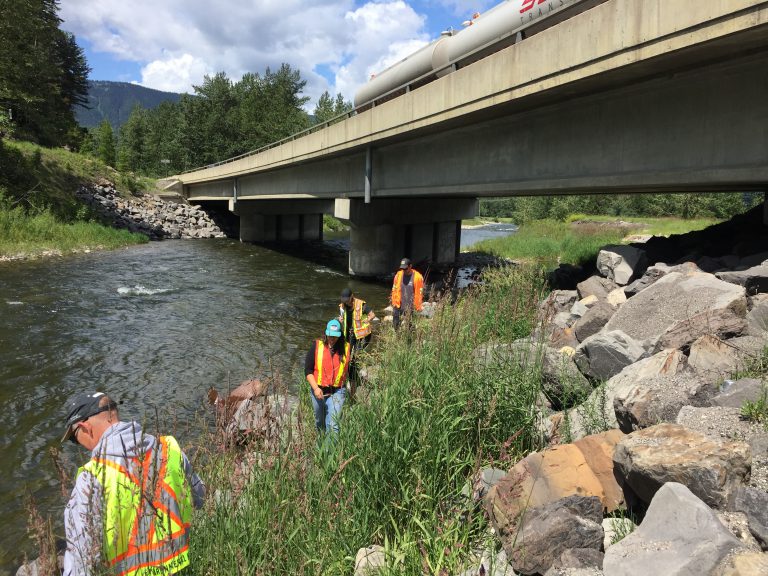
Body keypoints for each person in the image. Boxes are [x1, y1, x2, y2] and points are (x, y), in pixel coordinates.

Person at [61, 391, 206, 576]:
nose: (78, 444)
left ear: (85, 427)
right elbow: (201, 499)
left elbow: (82, 559)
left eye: (74, 438)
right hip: (184, 567)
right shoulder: (169, 448)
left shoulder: (91, 478)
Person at [304, 319, 351, 436]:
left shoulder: (346, 347)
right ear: (326, 333)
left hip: (337, 391)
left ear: (340, 335)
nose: (332, 338)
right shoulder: (316, 346)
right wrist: (315, 388)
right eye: (330, 335)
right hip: (318, 390)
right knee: (320, 422)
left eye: (335, 336)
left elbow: (351, 369)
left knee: (333, 424)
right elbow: (308, 371)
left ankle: (331, 453)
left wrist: (352, 389)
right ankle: (321, 446)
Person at [338, 288, 375, 393]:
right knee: (346, 358)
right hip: (349, 335)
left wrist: (366, 320)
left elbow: (372, 315)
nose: (345, 302)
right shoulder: (342, 306)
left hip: (362, 336)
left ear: (351, 296)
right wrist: (340, 319)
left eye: (347, 299)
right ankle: (348, 378)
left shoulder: (361, 304)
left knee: (354, 358)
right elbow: (342, 317)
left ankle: (354, 379)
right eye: (344, 300)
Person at [391, 258, 424, 330]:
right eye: (402, 269)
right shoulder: (398, 275)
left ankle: (409, 340)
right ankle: (397, 339)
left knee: (410, 328)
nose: (404, 270)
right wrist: (394, 302)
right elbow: (394, 289)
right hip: (398, 305)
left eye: (406, 268)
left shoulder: (418, 277)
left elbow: (419, 294)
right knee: (395, 326)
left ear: (410, 266)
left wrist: (418, 308)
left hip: (410, 307)